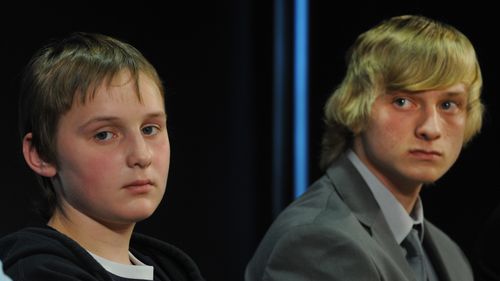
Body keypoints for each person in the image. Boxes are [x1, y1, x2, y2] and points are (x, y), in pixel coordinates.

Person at [246, 14, 483, 281]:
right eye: (403, 101)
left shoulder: (450, 254)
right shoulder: (318, 241)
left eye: (448, 105)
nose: (431, 128)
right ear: (355, 105)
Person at [0, 32, 204, 281]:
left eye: (149, 129)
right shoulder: (33, 273)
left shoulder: (171, 271)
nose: (141, 155)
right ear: (41, 154)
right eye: (104, 135)